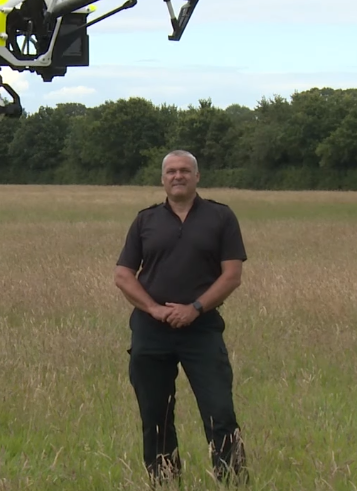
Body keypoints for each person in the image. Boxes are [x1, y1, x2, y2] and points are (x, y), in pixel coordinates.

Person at [113, 149, 249, 486]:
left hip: (202, 330)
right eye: (171, 171)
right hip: (151, 330)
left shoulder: (221, 217)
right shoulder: (145, 221)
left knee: (220, 412)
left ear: (197, 176)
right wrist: (156, 309)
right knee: (155, 416)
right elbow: (123, 275)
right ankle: (165, 481)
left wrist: (195, 309)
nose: (178, 176)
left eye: (185, 171)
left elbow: (231, 275)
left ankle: (231, 481)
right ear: (162, 179)